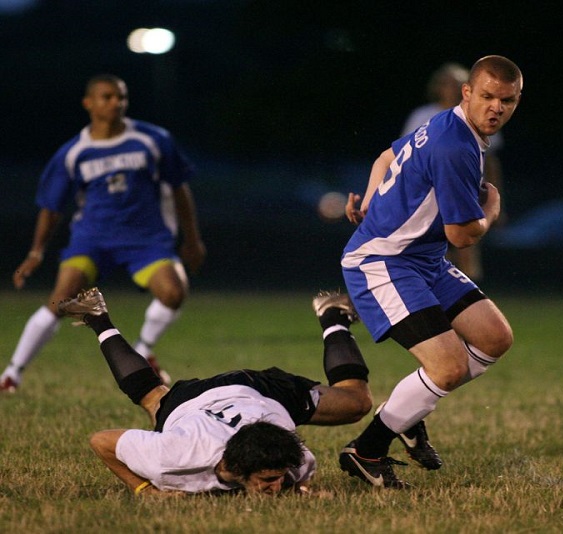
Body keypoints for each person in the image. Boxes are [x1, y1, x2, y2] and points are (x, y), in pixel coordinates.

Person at [339, 55, 522, 489]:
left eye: (507, 100)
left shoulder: (450, 125)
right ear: (467, 93)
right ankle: (366, 450)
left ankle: (408, 412)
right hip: (382, 262)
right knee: (448, 368)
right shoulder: (454, 145)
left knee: (495, 338)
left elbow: (387, 155)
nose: (496, 108)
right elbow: (462, 235)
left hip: (422, 260)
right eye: (487, 97)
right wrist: (492, 211)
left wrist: (367, 200)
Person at [58, 287, 372, 496]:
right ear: (237, 470)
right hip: (191, 402)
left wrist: (300, 489)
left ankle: (333, 316)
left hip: (264, 392)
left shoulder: (296, 458)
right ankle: (96, 317)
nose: (277, 487)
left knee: (358, 404)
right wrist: (146, 492)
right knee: (153, 401)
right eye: (267, 481)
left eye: (277, 479)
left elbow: (299, 476)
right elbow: (101, 441)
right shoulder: (175, 459)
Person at [1, 74, 206, 393]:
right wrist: (36, 251)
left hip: (146, 240)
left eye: (121, 97)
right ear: (88, 103)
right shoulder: (74, 152)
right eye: (107, 97)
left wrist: (192, 240)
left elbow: (179, 189)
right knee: (59, 301)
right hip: (92, 239)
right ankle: (12, 373)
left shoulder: (153, 139)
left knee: (173, 291)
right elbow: (51, 207)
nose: (116, 103)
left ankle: (142, 349)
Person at [400, 62, 508, 282]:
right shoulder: (423, 116)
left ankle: (468, 301)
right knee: (428, 250)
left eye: (458, 83)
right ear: (437, 87)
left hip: (465, 193)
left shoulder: (479, 115)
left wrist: (497, 201)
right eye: (447, 83)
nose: (452, 88)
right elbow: (403, 158)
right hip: (428, 196)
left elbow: (491, 162)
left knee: (467, 250)